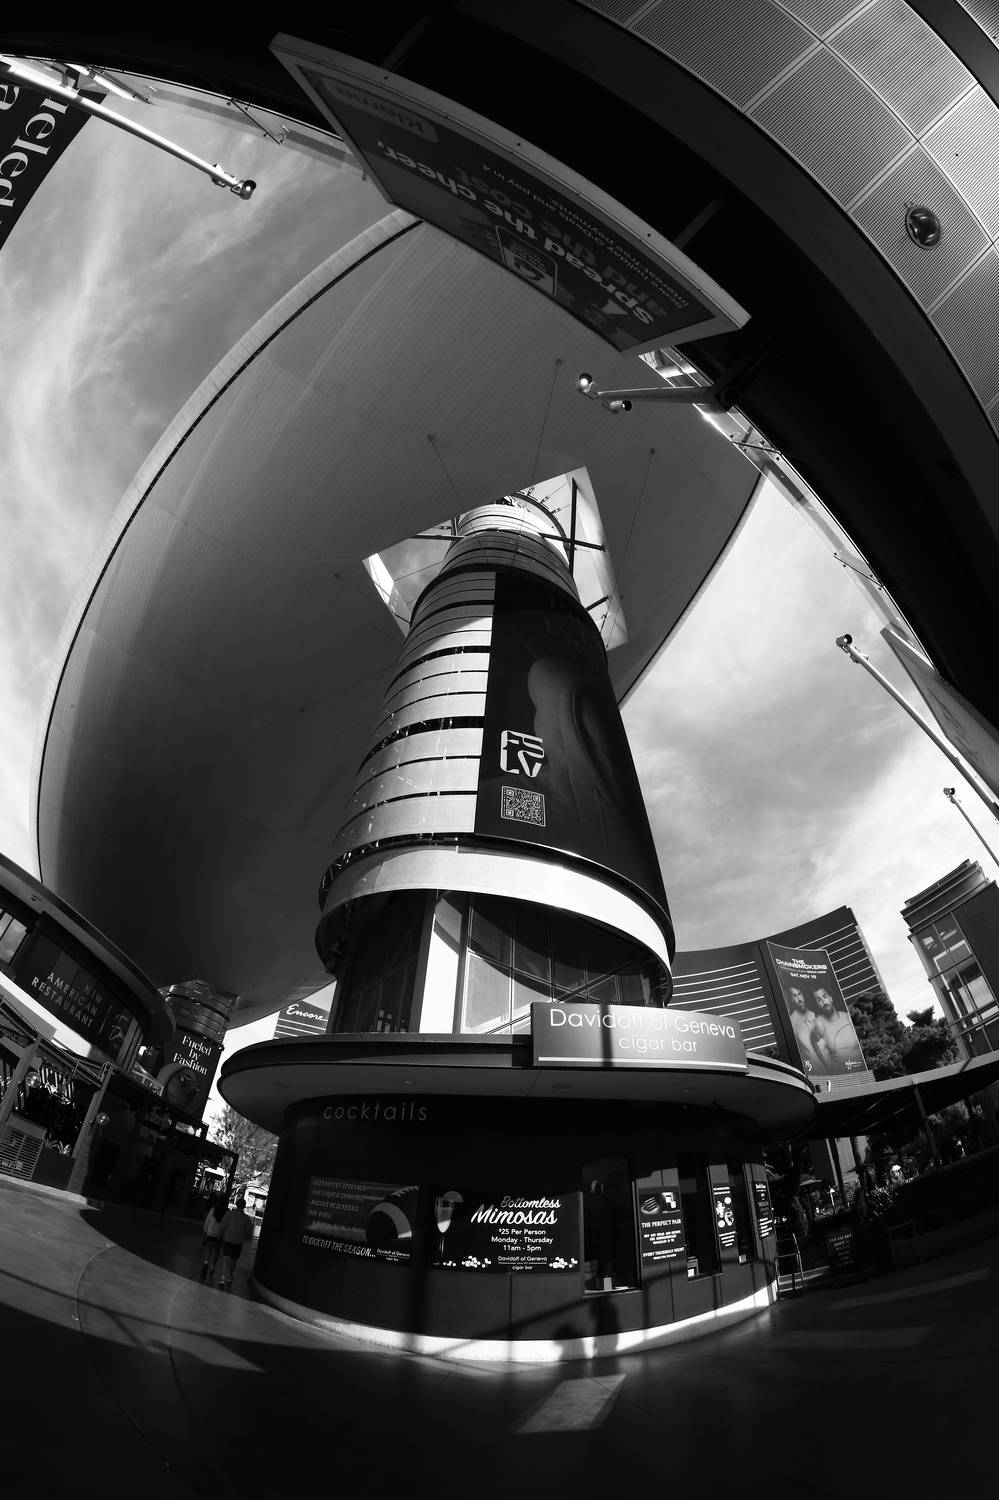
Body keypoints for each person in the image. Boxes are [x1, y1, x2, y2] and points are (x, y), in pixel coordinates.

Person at [787, 986, 830, 1075]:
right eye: (794, 996)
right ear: (791, 999)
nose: (799, 999)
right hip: (811, 1073)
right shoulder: (791, 1021)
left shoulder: (816, 1016)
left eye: (799, 994)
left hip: (830, 1069)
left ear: (803, 995)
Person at [217, 1192, 254, 1291]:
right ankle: (230, 1275)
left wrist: (219, 1235)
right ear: (244, 1206)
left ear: (236, 1205)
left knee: (225, 1258)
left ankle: (222, 1277)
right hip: (238, 1242)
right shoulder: (246, 1218)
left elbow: (222, 1226)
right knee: (233, 1259)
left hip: (228, 1239)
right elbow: (249, 1232)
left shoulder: (229, 1214)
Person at [200, 1193, 226, 1281]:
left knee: (209, 1249)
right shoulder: (226, 1212)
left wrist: (205, 1230)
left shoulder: (214, 1209)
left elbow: (208, 1220)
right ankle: (213, 1266)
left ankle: (206, 1262)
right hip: (219, 1234)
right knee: (217, 1250)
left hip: (211, 1232)